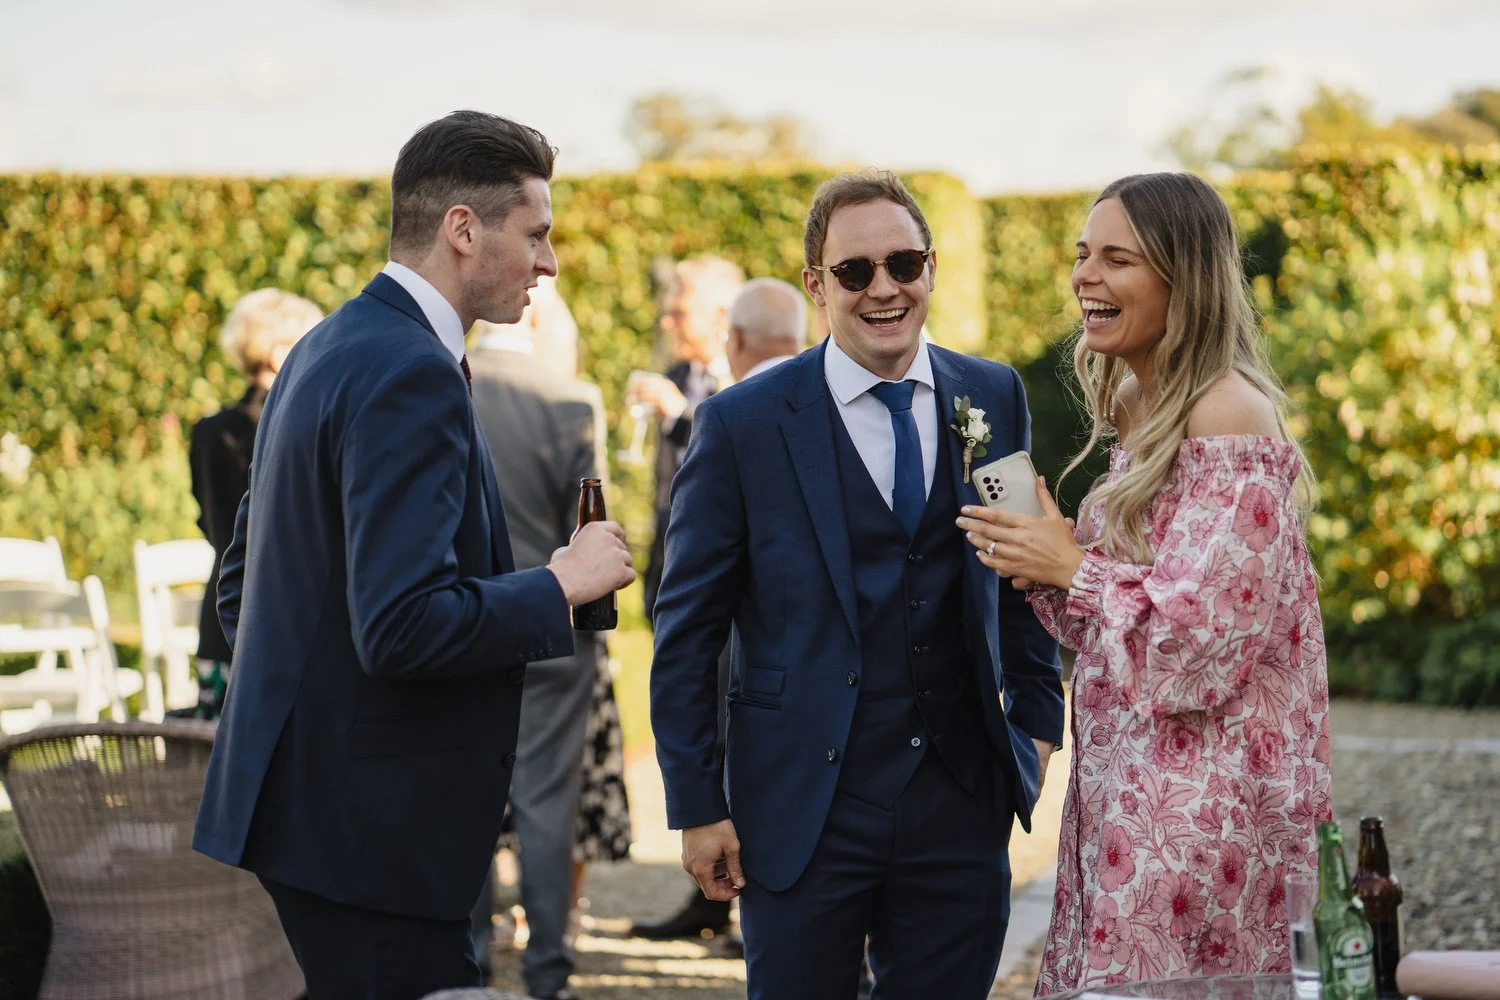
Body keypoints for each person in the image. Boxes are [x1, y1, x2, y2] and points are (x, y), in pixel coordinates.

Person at [192, 110, 636, 999]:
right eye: (537, 233)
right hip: (373, 837)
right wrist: (560, 583)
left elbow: (243, 586)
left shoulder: (325, 343)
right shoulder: (410, 370)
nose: (550, 262)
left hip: (315, 818)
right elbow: (400, 626)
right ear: (463, 230)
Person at [650, 169, 1065, 999]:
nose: (884, 289)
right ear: (816, 285)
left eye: (903, 265)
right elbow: (687, 629)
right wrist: (698, 804)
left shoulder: (990, 394)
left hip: (959, 801)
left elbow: (1027, 569)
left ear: (931, 269)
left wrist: (1037, 723)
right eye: (854, 271)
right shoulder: (742, 424)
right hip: (803, 804)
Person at [955, 172, 1332, 993]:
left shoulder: (1230, 414)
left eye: (1116, 258)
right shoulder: (1139, 399)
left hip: (1210, 808)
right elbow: (1116, 616)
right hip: (1129, 794)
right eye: (1083, 254)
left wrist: (1074, 570)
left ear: (1182, 280)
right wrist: (1044, 553)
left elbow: (1202, 647)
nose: (1086, 276)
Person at [465, 275, 628, 1000]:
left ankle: (466, 964)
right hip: (554, 628)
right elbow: (587, 527)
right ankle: (548, 976)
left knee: (467, 798)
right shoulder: (571, 400)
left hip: (467, 625)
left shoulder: (446, 385)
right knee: (547, 807)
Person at [628, 255, 745, 944]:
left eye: (681, 311)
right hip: (673, 580)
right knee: (692, 729)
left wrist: (681, 419)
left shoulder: (745, 383)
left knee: (737, 739)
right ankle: (704, 897)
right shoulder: (676, 380)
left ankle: (745, 894)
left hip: (736, 605)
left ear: (722, 319)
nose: (668, 321)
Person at [181, 288, 322, 721]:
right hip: (280, 615)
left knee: (214, 764)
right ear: (282, 353)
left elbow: (209, 522)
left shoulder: (208, 430)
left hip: (216, 614)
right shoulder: (296, 424)